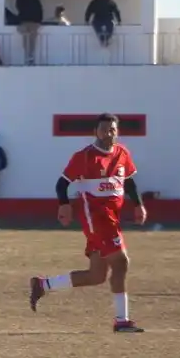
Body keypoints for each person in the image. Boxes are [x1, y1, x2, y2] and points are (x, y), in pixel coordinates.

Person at [30, 113, 145, 332]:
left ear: (117, 132)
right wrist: (64, 206)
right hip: (96, 216)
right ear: (96, 132)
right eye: (104, 129)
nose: (108, 133)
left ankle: (43, 284)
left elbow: (129, 182)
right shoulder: (84, 157)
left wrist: (138, 204)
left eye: (112, 129)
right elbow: (61, 185)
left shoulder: (122, 153)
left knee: (97, 275)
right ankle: (122, 321)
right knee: (121, 262)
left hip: (112, 217)